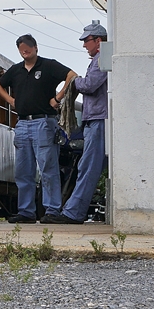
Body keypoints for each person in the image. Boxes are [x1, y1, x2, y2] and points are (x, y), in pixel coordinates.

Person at [0, 34, 77, 224]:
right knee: (23, 171)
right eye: (22, 50)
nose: (25, 52)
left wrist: (58, 98)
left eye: (28, 49)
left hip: (44, 121)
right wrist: (12, 101)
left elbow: (72, 76)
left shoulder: (48, 65)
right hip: (22, 123)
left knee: (48, 168)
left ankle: (52, 210)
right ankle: (26, 211)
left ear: (36, 47)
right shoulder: (16, 70)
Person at [57, 22, 109, 223]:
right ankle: (74, 210)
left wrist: (74, 81)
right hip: (96, 118)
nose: (84, 45)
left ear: (98, 41)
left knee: (88, 167)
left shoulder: (101, 59)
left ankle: (73, 213)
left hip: (98, 119)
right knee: (88, 167)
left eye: (87, 40)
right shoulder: (99, 59)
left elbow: (90, 85)